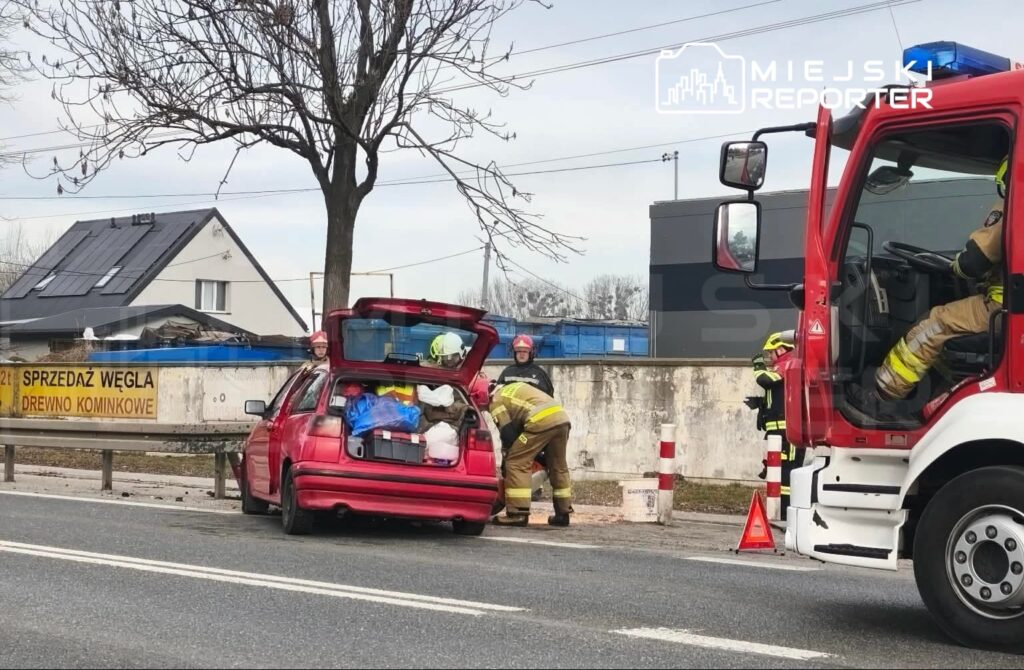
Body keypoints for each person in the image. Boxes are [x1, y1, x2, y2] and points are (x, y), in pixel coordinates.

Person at [852, 156, 1008, 411]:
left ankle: (880, 397)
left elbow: (974, 261)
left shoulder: (1014, 206)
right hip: (1011, 306)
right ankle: (942, 396)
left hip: (1004, 307)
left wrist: (955, 266)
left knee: (934, 325)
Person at [487, 381, 572, 527]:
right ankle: (563, 513)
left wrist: (507, 461)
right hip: (561, 419)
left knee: (516, 462)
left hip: (540, 421)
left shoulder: (495, 400)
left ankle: (517, 514)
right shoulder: (514, 387)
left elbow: (507, 433)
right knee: (558, 465)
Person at [752, 330, 803, 520]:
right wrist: (761, 408)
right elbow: (776, 395)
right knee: (777, 469)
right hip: (778, 431)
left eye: (771, 353)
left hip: (787, 431)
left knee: (787, 470)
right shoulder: (783, 366)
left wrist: (757, 367)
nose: (769, 358)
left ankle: (784, 512)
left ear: (781, 350)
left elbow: (765, 380)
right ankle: (779, 511)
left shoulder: (788, 365)